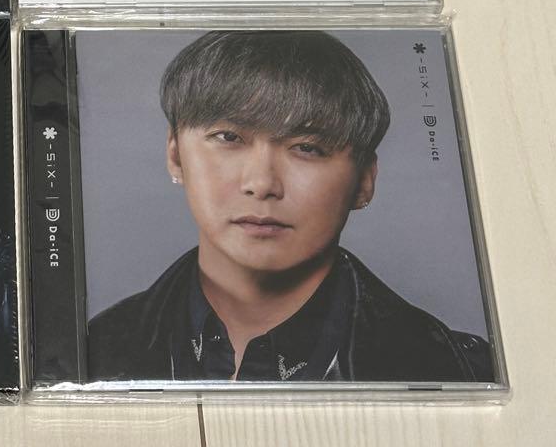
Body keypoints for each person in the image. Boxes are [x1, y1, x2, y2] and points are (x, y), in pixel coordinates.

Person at [88, 31, 495, 383]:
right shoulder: (93, 353)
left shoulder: (461, 371)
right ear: (176, 155)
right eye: (229, 137)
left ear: (364, 181)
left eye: (307, 148)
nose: (262, 184)